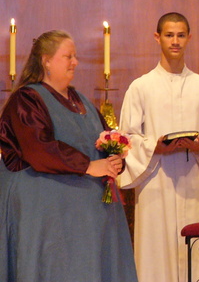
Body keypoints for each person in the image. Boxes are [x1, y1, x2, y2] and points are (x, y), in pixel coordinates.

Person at [0, 30, 137, 281]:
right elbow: (39, 149)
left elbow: (106, 138)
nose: (75, 62)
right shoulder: (27, 99)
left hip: (88, 213)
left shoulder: (80, 99)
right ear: (46, 61)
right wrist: (89, 166)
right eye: (68, 56)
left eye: (75, 56)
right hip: (48, 213)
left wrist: (115, 159)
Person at [119, 12, 199, 282]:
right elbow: (127, 137)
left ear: (189, 38)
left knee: (196, 254)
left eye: (180, 35)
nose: (175, 41)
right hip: (156, 183)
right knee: (156, 252)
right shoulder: (140, 87)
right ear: (158, 38)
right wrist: (154, 147)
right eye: (169, 35)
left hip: (194, 182)